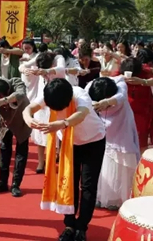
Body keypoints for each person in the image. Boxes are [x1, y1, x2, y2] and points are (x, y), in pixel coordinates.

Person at [23, 78, 106, 241]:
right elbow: (29, 108)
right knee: (68, 182)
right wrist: (29, 119)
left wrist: (62, 123)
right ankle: (69, 225)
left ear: (69, 100)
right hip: (70, 143)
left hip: (93, 141)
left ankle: (81, 227)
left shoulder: (80, 95)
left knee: (88, 185)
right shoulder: (50, 94)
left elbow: (80, 115)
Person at [85, 77, 140, 210]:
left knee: (120, 163)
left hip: (121, 128)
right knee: (101, 162)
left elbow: (121, 97)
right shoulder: (89, 87)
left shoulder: (120, 83)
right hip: (100, 131)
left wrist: (107, 102)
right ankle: (99, 196)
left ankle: (118, 198)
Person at [0, 76, 31, 197]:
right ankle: (2, 182)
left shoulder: (15, 81)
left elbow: (21, 93)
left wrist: (3, 101)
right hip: (5, 120)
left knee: (21, 152)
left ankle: (16, 184)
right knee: (4, 149)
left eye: (2, 95)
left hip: (21, 118)